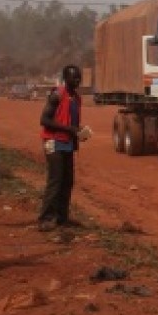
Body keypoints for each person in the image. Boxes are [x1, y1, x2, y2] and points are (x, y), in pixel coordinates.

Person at [37, 65, 91, 231]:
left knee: (68, 181)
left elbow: (70, 121)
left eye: (78, 77)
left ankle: (62, 217)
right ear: (65, 78)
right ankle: (45, 219)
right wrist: (70, 129)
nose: (77, 80)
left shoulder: (76, 98)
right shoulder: (57, 95)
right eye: (73, 77)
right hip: (53, 142)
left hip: (67, 143)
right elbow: (44, 120)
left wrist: (79, 131)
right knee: (55, 180)